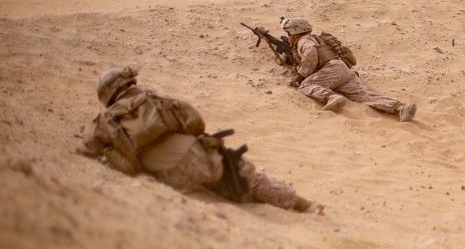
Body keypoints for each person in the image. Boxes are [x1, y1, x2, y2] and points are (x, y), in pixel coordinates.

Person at [78, 66, 317, 213]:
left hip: (167, 178)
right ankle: (304, 206)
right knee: (250, 176)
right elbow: (195, 122)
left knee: (219, 188)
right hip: (198, 159)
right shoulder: (154, 97)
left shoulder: (105, 118)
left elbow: (86, 149)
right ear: (128, 82)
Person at [281, 17, 417, 122]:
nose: (288, 37)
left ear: (294, 32)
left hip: (331, 69)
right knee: (364, 95)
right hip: (344, 70)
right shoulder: (315, 39)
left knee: (306, 85)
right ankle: (400, 107)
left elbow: (310, 53)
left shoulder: (305, 40)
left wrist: (301, 74)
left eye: (288, 33)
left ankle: (331, 97)